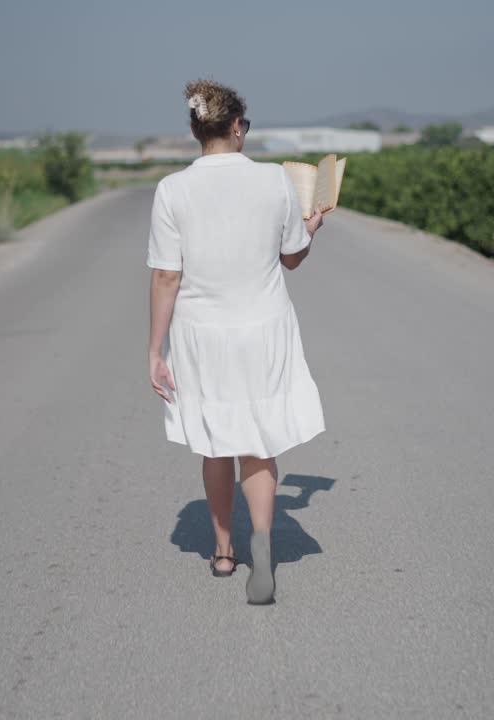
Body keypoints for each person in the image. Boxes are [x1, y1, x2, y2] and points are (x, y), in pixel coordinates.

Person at [146, 78, 326, 605]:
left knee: (215, 441)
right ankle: (263, 544)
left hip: (202, 334)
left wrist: (155, 350)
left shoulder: (172, 190)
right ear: (238, 127)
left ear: (197, 131)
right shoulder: (273, 181)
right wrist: (311, 227)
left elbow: (166, 277)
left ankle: (224, 550)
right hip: (264, 327)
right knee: (258, 441)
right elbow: (291, 257)